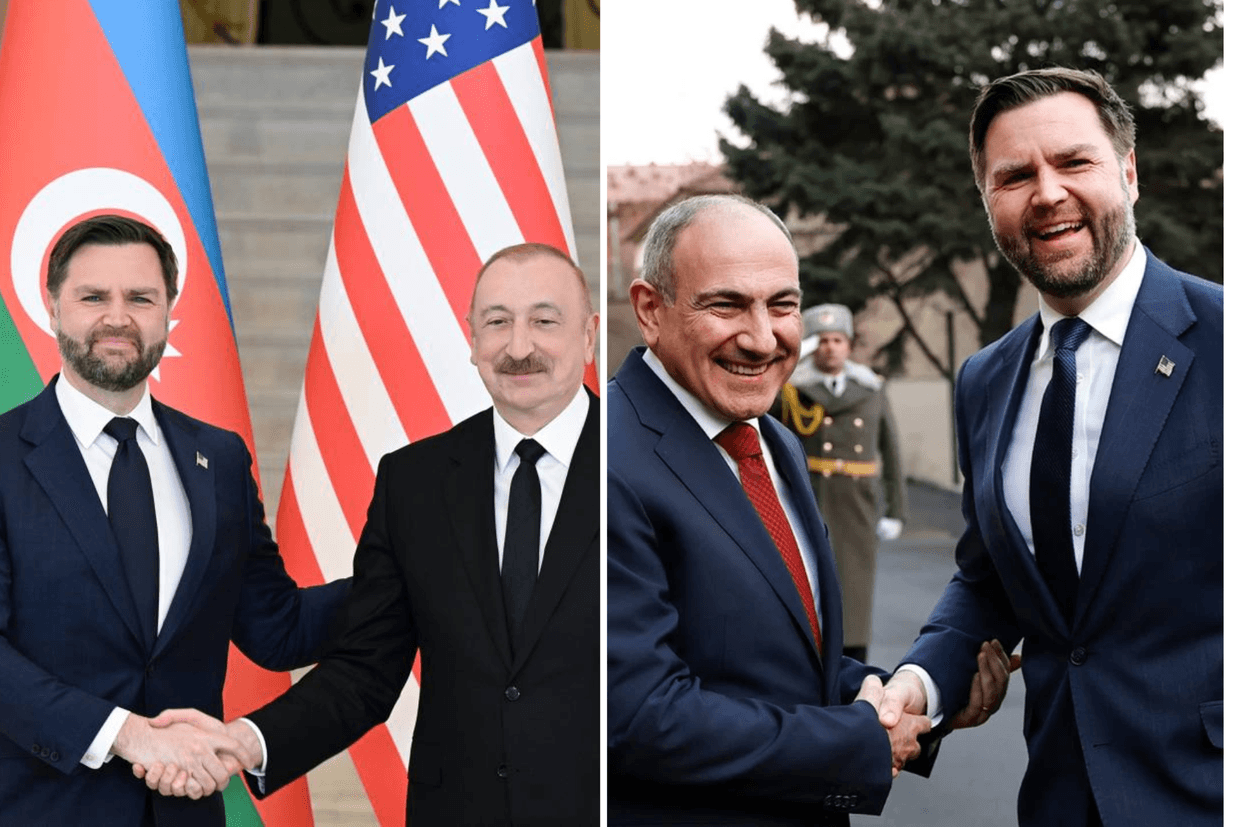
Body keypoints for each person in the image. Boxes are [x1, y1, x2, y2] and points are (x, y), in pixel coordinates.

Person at [143, 243, 602, 825]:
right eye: (497, 322)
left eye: (544, 321)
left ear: (588, 336)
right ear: (471, 338)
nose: (518, 347)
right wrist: (244, 741)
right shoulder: (414, 481)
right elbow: (365, 668)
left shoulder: (640, 467)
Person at [878, 68, 1222, 827]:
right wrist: (920, 682)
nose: (1047, 192)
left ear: (1128, 173)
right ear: (989, 202)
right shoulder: (984, 379)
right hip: (1061, 796)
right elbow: (990, 579)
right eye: (1014, 175)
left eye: (1074, 162)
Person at [608, 194, 1012, 826]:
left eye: (783, 305)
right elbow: (636, 714)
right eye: (727, 304)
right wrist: (863, 741)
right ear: (650, 310)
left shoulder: (771, 441)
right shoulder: (602, 457)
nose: (763, 337)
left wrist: (904, 705)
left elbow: (780, 661)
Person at [0, 214, 350, 827]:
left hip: (184, 815)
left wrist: (408, 565)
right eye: (92, 297)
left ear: (168, 312)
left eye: (141, 297)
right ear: (52, 308)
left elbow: (277, 628)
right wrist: (128, 734)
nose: (118, 318)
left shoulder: (218, 458)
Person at [777, 303, 907, 662]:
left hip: (856, 505)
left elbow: (891, 451)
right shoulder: (790, 390)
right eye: (822, 341)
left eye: (838, 340)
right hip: (809, 499)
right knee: (807, 589)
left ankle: (853, 667)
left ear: (849, 345)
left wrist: (896, 510)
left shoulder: (871, 389)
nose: (830, 347)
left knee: (854, 593)